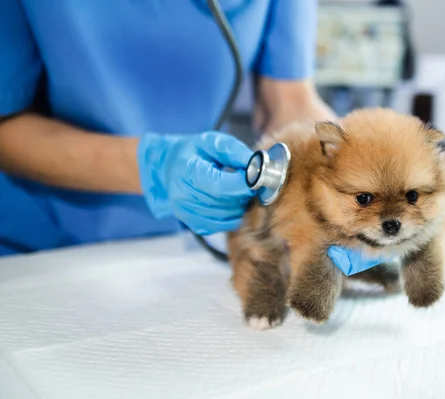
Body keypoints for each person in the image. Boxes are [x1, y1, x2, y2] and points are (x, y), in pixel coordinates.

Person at [0, 0, 388, 274]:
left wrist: (356, 172)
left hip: (182, 246)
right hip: (39, 252)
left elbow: (289, 102)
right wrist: (155, 167)